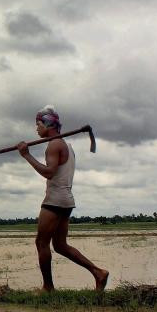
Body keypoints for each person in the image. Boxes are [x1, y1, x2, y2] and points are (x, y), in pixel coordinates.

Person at [16, 105, 109, 292]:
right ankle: (98, 272)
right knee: (59, 245)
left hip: (55, 200)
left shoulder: (54, 145)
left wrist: (26, 155)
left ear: (48, 124)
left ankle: (48, 288)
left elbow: (49, 172)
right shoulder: (66, 145)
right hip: (66, 200)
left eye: (38, 124)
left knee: (41, 243)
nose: (36, 128)